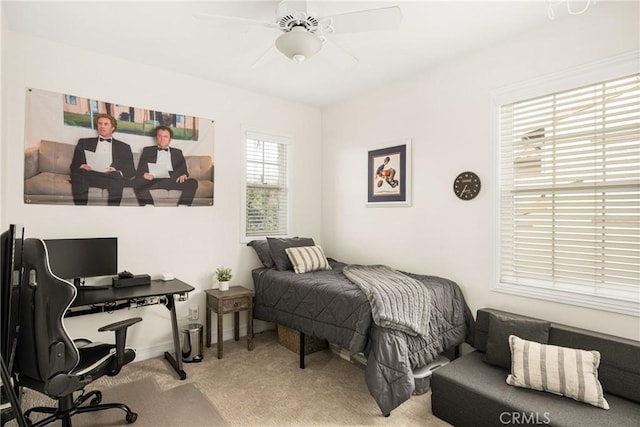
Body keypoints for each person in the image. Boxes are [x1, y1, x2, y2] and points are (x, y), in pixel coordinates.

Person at [70, 113, 135, 205]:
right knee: (80, 173)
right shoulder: (84, 142)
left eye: (105, 124)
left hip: (111, 178)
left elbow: (131, 170)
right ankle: (81, 210)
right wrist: (81, 166)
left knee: (116, 176)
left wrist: (117, 171)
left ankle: (113, 213)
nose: (102, 126)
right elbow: (74, 165)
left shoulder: (124, 147)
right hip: (90, 175)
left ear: (113, 128)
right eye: (100, 124)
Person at [133, 125, 198, 206]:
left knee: (192, 182)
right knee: (137, 181)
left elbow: (184, 170)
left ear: (170, 139)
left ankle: (183, 207)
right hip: (154, 179)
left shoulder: (178, 152)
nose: (162, 139)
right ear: (156, 137)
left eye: (165, 137)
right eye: (159, 136)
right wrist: (144, 174)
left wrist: (183, 175)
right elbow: (140, 170)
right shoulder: (147, 150)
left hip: (173, 179)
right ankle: (148, 206)